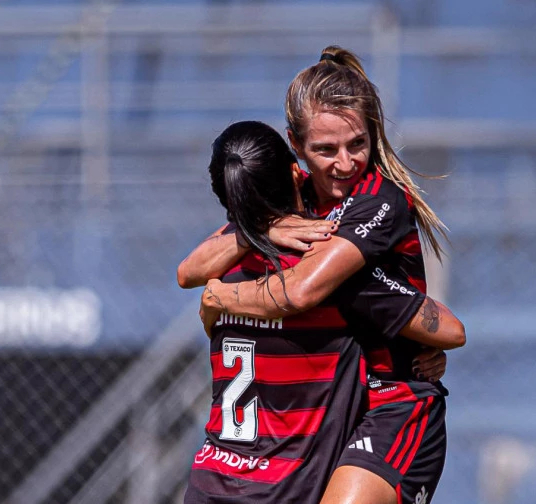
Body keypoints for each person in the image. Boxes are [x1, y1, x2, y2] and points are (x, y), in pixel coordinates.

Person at [197, 46, 461, 504]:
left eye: (357, 144)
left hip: (394, 403)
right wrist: (263, 227)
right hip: (335, 408)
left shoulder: (381, 198)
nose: (345, 163)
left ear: (374, 135)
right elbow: (191, 267)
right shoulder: (291, 197)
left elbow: (301, 290)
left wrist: (220, 298)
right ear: (295, 146)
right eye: (325, 149)